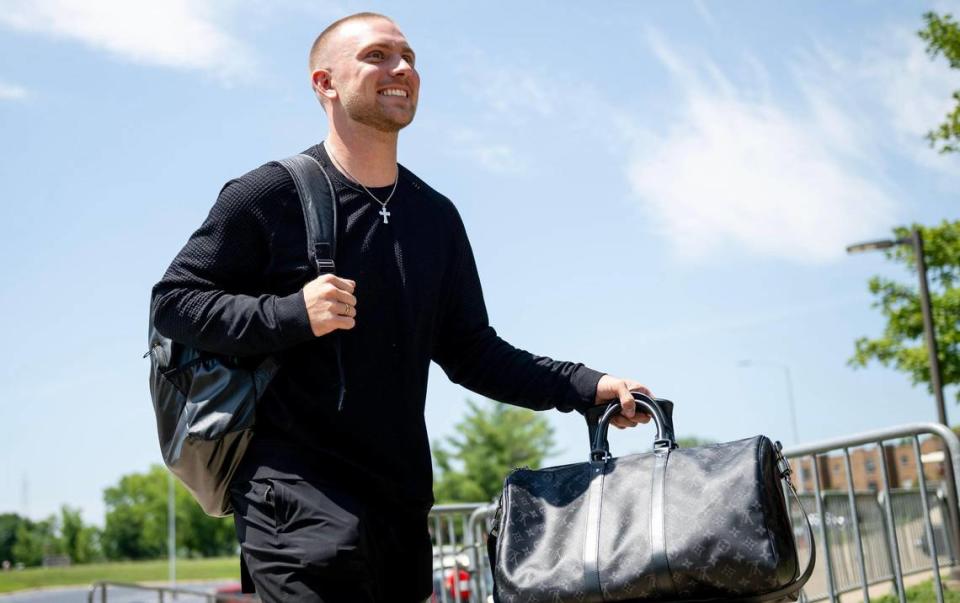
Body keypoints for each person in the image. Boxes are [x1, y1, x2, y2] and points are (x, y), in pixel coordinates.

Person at [151, 12, 653, 603]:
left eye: (410, 57)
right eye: (377, 56)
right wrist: (291, 314)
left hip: (401, 507)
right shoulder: (269, 194)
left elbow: (471, 351)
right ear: (325, 83)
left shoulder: (434, 217)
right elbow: (175, 303)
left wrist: (586, 386)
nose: (403, 69)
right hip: (293, 496)